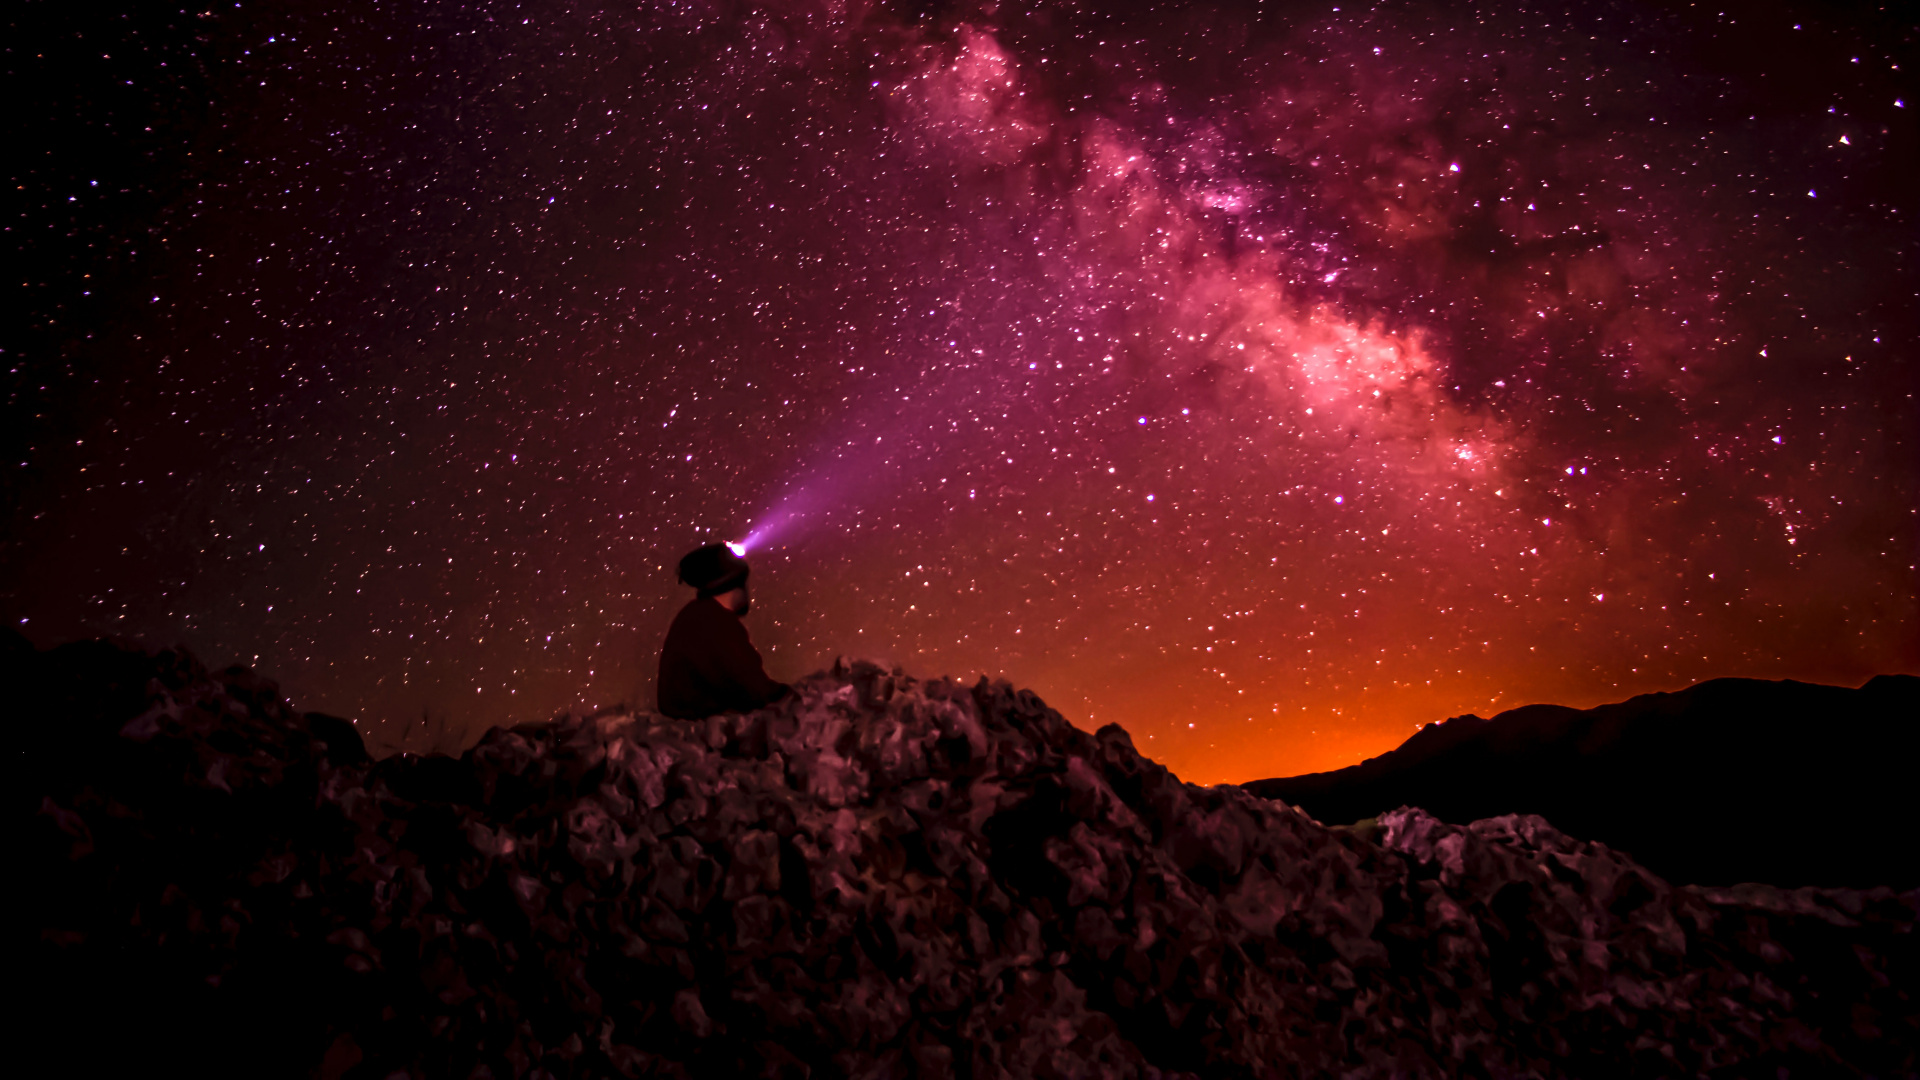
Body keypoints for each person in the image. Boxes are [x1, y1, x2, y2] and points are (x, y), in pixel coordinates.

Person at [656, 543, 791, 719]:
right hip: (700, 732)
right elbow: (753, 688)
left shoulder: (698, 615)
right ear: (736, 583)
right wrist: (790, 696)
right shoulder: (714, 622)